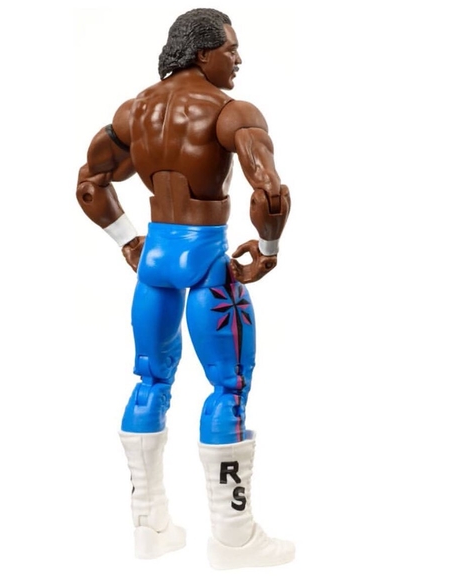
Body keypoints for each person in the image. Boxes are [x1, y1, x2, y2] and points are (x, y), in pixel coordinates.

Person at [76, 8, 294, 569]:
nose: (238, 59)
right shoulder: (229, 111)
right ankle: (234, 540)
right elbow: (270, 194)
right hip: (206, 263)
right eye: (231, 49)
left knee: (150, 380)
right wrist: (268, 250)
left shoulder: (135, 111)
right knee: (229, 387)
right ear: (203, 52)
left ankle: (150, 528)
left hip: (155, 261)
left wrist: (129, 241)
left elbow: (90, 183)